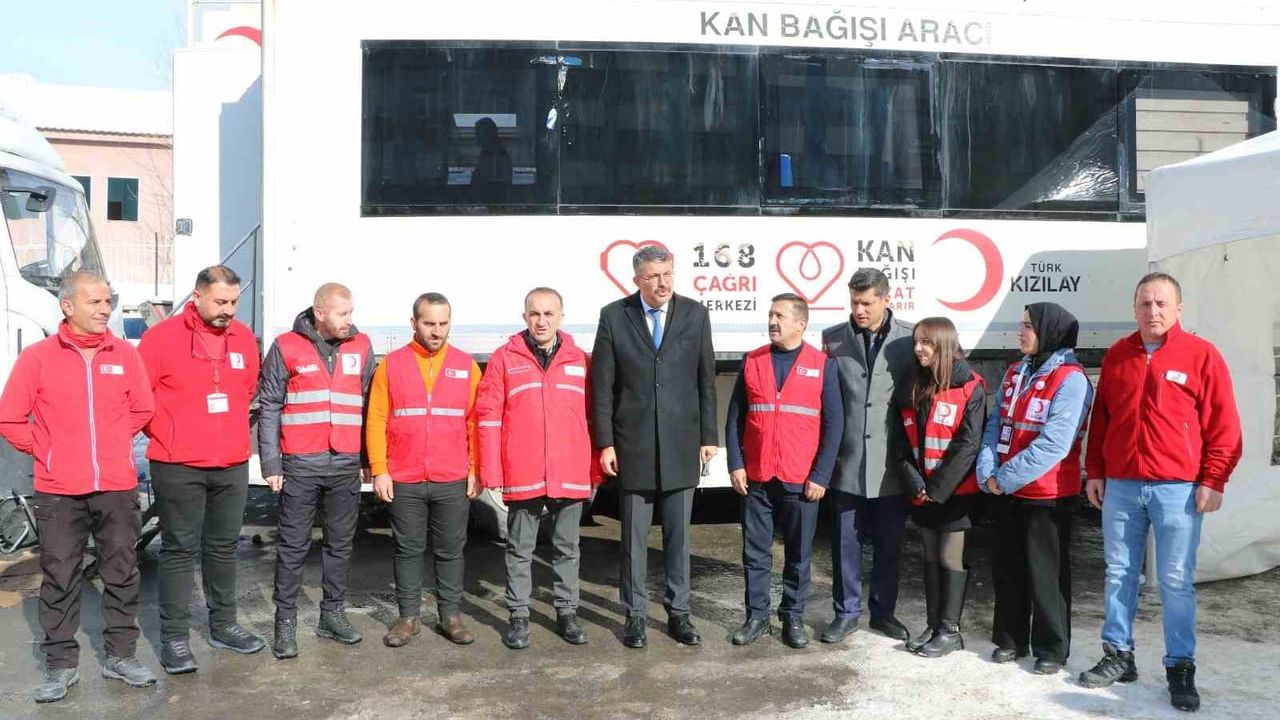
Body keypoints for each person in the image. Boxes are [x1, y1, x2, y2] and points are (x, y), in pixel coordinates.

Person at [1078, 273, 1241, 712]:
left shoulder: (1202, 355)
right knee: (1118, 573)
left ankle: (1180, 667)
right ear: (1134, 309)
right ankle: (1119, 656)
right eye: (1145, 303)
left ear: (1178, 309)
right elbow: (1103, 421)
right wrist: (1096, 470)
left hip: (1179, 489)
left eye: (1161, 303)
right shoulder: (1118, 356)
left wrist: (1214, 478)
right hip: (1123, 486)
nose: (1153, 311)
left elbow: (1224, 425)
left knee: (1174, 582)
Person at [0, 271, 156, 702]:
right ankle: (60, 664)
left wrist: (109, 442)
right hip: (58, 490)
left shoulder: (124, 354)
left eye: (108, 300)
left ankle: (121, 655)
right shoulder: (38, 358)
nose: (105, 309)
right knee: (60, 577)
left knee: (122, 574)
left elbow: (142, 407)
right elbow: (10, 417)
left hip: (116, 486)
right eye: (95, 302)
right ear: (68, 306)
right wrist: (49, 451)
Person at [138, 265, 264, 674]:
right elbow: (139, 399)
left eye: (234, 302)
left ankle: (224, 624)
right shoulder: (161, 339)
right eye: (220, 302)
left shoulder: (243, 338)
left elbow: (246, 389)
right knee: (179, 549)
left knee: (224, 547)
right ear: (197, 296)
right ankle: (174, 637)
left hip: (230, 462)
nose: (228, 310)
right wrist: (170, 433)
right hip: (177, 463)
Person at [591, 245, 718, 649]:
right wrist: (605, 442)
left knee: (679, 538)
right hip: (634, 444)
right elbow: (603, 387)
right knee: (633, 539)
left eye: (667, 274)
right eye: (653, 277)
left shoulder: (696, 314)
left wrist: (709, 436)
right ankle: (635, 616)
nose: (662, 283)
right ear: (637, 280)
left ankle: (679, 613)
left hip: (682, 443)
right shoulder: (614, 316)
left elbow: (706, 379)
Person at [476, 287, 601, 650]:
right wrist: (492, 472)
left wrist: (593, 470)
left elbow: (594, 418)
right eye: (535, 314)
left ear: (561, 317)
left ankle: (567, 614)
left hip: (569, 469)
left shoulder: (581, 360)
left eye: (549, 314)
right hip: (523, 469)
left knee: (568, 548)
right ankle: (518, 616)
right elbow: (488, 417)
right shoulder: (504, 359)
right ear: (524, 317)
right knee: (519, 548)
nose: (541, 321)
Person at [258, 282, 375, 659]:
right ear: (320, 313)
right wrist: (271, 463)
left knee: (340, 545)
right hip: (301, 463)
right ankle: (285, 623)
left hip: (345, 463)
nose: (349, 320)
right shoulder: (286, 346)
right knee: (292, 547)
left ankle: (333, 615)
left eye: (351, 312)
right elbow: (270, 406)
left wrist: (369, 460)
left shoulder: (362, 345)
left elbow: (372, 405)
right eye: (343, 313)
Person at [976, 302, 1093, 675]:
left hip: (1047, 493)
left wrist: (1003, 477)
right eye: (1021, 324)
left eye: (1028, 326)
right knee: (1008, 567)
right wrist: (986, 467)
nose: (1020, 332)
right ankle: (1010, 639)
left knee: (1047, 572)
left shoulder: (1071, 379)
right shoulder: (1016, 371)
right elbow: (996, 425)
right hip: (1008, 491)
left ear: (1050, 330)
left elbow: (1055, 444)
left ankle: (1051, 648)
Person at [725, 294, 843, 648]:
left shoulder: (822, 365)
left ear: (800, 324)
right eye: (770, 315)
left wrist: (821, 475)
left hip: (801, 479)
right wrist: (736, 464)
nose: (772, 321)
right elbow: (734, 420)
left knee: (798, 555)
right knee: (754, 553)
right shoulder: (752, 361)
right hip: (758, 477)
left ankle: (792, 617)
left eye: (780, 316)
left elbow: (834, 425)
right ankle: (756, 617)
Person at [367, 292, 482, 648]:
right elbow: (377, 418)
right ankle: (408, 618)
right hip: (405, 476)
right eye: (429, 323)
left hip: (452, 476)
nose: (436, 331)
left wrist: (476, 468)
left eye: (443, 323)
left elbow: (476, 422)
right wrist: (379, 469)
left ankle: (450, 616)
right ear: (413, 323)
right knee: (408, 550)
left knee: (451, 550)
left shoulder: (466, 366)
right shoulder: (392, 365)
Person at [820, 267, 916, 643]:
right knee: (844, 544)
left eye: (866, 303)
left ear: (886, 299)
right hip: (847, 463)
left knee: (890, 545)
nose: (859, 310)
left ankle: (883, 612)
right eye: (854, 302)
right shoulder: (832, 340)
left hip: (891, 464)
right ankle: (845, 613)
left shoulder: (909, 340)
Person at [892, 317, 985, 658]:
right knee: (930, 556)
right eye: (917, 341)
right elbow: (901, 442)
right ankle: (933, 624)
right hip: (922, 491)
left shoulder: (969, 386)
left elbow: (968, 444)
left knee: (949, 558)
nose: (918, 349)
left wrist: (937, 488)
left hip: (954, 493)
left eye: (927, 342)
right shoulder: (913, 386)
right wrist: (915, 484)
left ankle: (951, 630)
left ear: (944, 344)